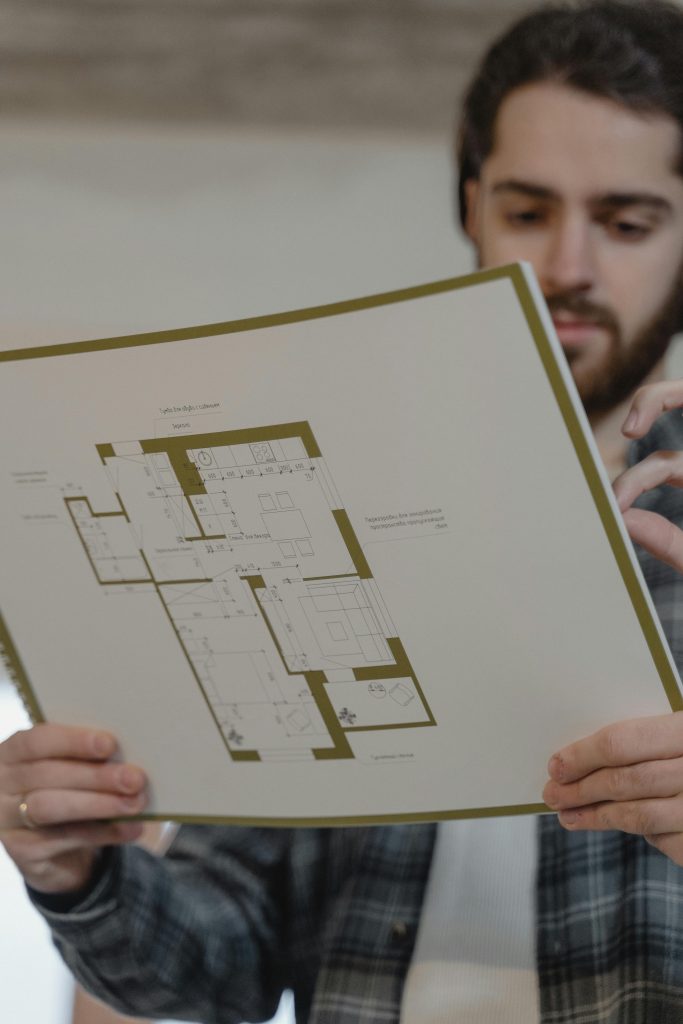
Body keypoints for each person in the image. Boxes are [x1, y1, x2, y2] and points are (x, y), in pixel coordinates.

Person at [3, 1, 683, 1020]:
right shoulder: (332, 502)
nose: (568, 268)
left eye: (625, 222)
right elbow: (221, 958)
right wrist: (75, 875)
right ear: (470, 207)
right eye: (528, 211)